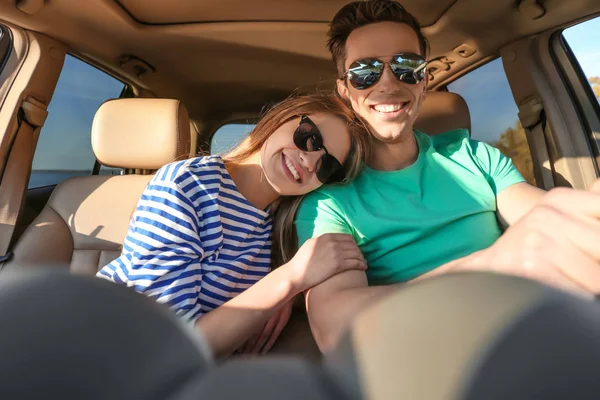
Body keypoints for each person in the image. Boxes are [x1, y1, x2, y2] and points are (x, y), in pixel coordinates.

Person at [293, 0, 600, 352]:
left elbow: (547, 218)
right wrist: (491, 264)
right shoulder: (328, 201)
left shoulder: (474, 155)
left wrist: (583, 216)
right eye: (365, 71)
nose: (389, 83)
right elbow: (333, 326)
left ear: (424, 81)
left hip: (533, 328)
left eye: (407, 65)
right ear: (345, 91)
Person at [97, 94, 370, 357]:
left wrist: (288, 293)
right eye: (309, 138)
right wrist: (289, 279)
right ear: (283, 117)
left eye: (327, 165)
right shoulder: (187, 184)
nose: (309, 161)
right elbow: (168, 345)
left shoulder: (284, 222)